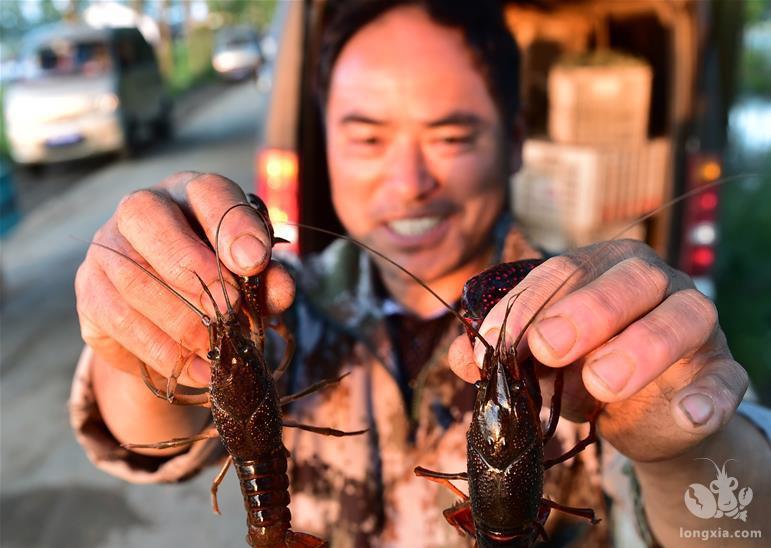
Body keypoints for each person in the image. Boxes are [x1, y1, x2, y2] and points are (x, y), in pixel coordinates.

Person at [71, 0, 770, 546]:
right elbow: (142, 426)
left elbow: (740, 530)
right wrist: (138, 334)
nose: (408, 183)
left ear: (514, 142)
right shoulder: (283, 308)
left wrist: (687, 447)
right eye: (367, 136)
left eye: (451, 136)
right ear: (325, 142)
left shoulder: (589, 328)